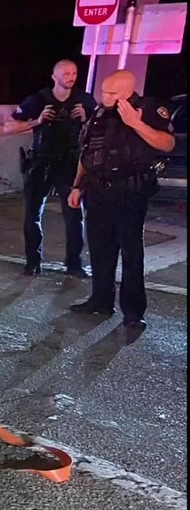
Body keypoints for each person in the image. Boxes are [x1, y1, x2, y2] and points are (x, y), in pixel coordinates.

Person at [67, 70, 175, 330]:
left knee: (131, 254)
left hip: (129, 193)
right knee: (100, 250)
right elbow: (88, 152)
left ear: (128, 92)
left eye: (112, 93)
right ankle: (101, 301)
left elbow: (168, 143)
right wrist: (76, 186)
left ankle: (134, 312)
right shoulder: (99, 113)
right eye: (103, 91)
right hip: (96, 192)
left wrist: (136, 124)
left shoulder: (148, 109)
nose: (105, 96)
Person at [4, 59, 96, 277]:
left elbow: (98, 128)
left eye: (73, 73)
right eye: (65, 73)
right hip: (41, 162)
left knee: (74, 215)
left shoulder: (84, 100)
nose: (70, 77)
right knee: (33, 214)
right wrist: (37, 121)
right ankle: (33, 262)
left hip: (70, 162)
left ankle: (74, 264)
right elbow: (9, 126)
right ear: (54, 76)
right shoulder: (37, 99)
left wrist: (85, 119)